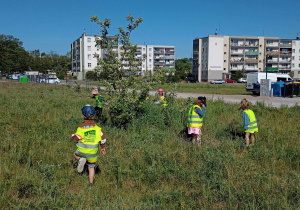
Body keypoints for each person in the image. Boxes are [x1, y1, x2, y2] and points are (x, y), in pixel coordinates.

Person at [71, 104, 107, 184]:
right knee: (91, 168)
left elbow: (77, 138)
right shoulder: (98, 129)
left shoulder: (81, 128)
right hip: (92, 154)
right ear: (94, 116)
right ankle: (91, 183)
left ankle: (80, 159)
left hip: (81, 152)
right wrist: (103, 148)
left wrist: (72, 136)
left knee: (75, 154)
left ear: (83, 116)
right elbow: (103, 140)